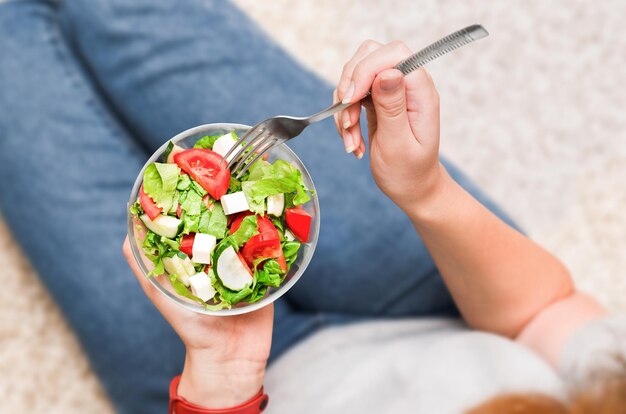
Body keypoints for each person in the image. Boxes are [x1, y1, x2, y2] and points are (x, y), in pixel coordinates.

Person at [0, 1, 624, 413]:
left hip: (218, 378)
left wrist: (221, 378)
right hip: (430, 292)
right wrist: (425, 192)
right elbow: (545, 313)